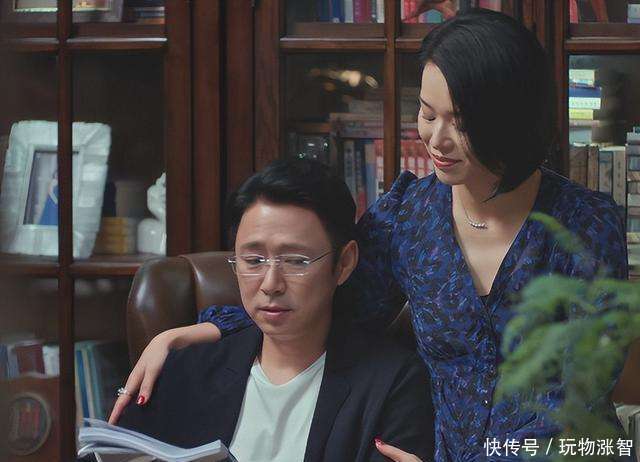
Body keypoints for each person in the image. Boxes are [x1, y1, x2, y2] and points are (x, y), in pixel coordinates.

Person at [111, 9, 628, 462]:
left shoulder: (586, 226)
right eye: (427, 113)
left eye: (461, 123)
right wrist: (195, 332)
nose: (436, 139)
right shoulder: (410, 217)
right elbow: (328, 301)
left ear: (510, 122)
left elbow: (577, 395)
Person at [115, 158, 435, 462]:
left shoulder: (393, 384)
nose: (271, 284)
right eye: (253, 260)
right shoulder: (185, 370)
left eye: (296, 261)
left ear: (344, 263)